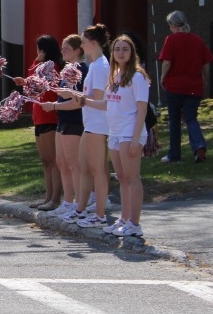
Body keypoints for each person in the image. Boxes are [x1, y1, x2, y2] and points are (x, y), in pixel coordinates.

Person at [62, 34, 150, 237]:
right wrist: (83, 99)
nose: (120, 53)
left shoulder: (138, 77)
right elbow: (106, 104)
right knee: (122, 178)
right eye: (117, 49)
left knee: (132, 177)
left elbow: (142, 110)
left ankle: (134, 224)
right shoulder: (115, 76)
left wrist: (135, 139)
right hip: (115, 133)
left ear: (132, 52)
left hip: (130, 133)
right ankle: (124, 219)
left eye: (125, 49)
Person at [60, 24, 113, 230]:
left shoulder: (100, 66)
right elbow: (90, 96)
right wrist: (73, 94)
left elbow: (97, 98)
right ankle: (80, 209)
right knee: (84, 168)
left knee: (97, 170)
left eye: (83, 41)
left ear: (93, 43)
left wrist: (75, 96)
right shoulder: (96, 64)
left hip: (98, 124)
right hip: (90, 123)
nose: (81, 45)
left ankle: (99, 215)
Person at [14, 35, 64, 211]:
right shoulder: (39, 67)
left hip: (50, 117)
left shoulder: (53, 66)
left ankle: (55, 199)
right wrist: (26, 78)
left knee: (53, 160)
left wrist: (36, 63)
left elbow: (39, 85)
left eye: (38, 49)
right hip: (39, 117)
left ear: (43, 50)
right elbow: (31, 86)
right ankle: (47, 197)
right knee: (45, 160)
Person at [158, 10, 213, 164]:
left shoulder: (171, 39)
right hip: (194, 86)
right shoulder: (197, 40)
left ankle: (174, 154)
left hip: (174, 86)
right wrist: (204, 78)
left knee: (174, 119)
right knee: (191, 118)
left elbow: (167, 62)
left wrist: (162, 77)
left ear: (172, 25)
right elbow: (206, 63)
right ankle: (199, 146)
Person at [41, 35, 87, 220]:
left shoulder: (81, 69)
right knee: (61, 162)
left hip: (75, 120)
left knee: (73, 164)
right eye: (62, 48)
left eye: (66, 48)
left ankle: (78, 204)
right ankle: (67, 202)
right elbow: (63, 94)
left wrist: (54, 106)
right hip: (63, 120)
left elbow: (78, 101)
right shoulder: (68, 69)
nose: (62, 51)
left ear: (77, 50)